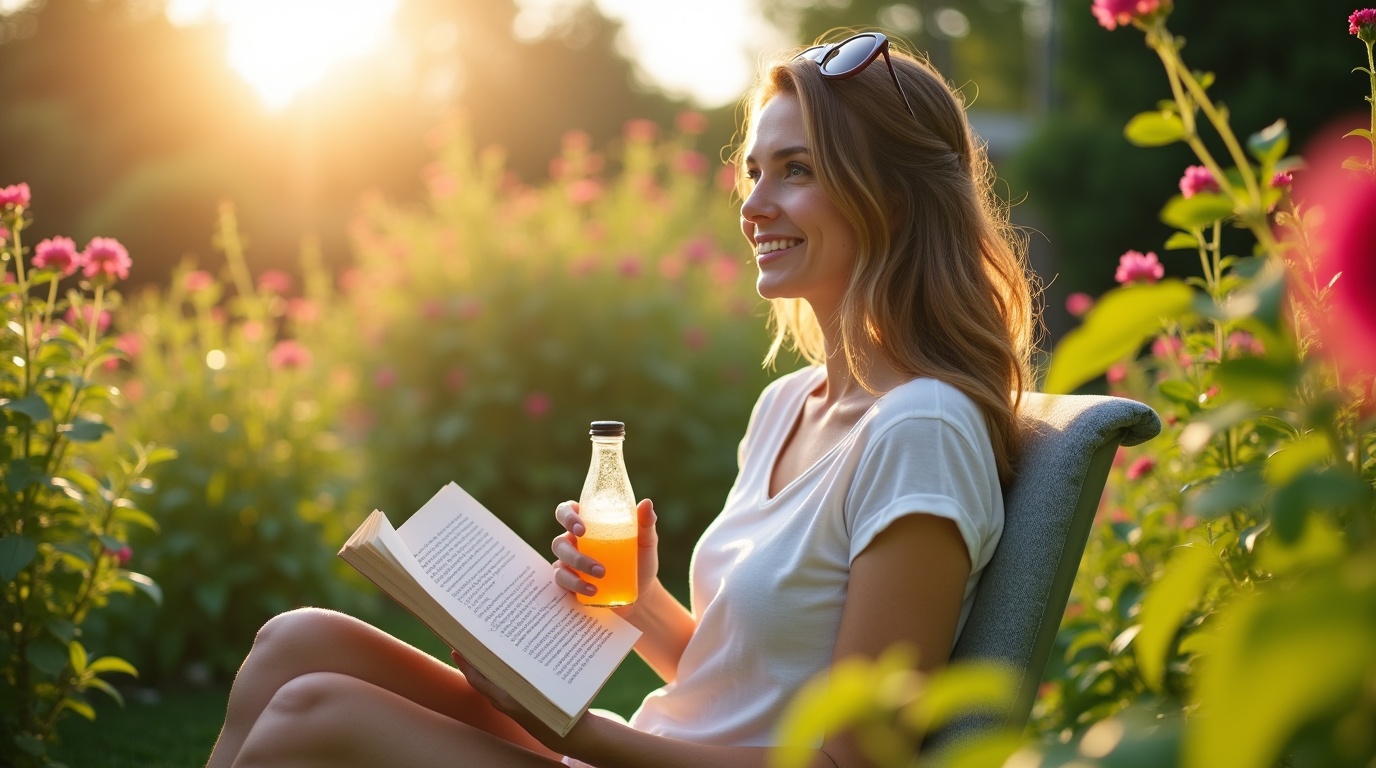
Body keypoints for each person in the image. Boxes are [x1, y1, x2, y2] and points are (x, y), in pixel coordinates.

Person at [206, 29, 1037, 768]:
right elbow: (739, 680)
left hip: (628, 758)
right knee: (297, 642)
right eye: (753, 172)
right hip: (654, 750)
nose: (753, 206)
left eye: (797, 171)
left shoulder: (923, 431)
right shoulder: (789, 404)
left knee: (313, 713)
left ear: (892, 197)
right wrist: (640, 601)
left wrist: (579, 734)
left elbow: (854, 762)